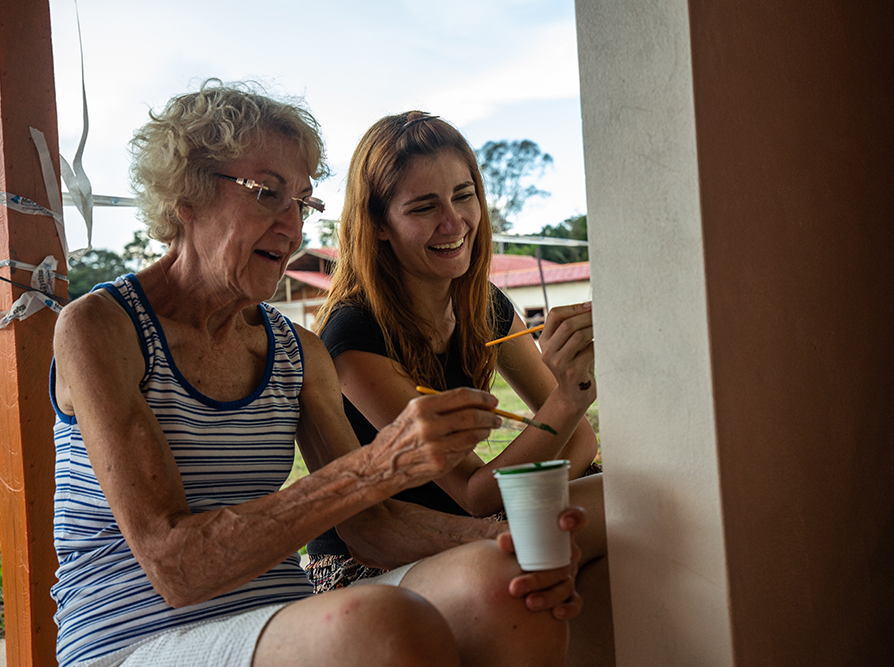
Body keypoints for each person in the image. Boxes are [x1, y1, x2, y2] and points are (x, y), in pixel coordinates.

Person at [49, 80, 587, 667]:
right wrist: (378, 465)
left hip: (277, 617)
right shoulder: (100, 328)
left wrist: (505, 543)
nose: (291, 226)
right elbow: (175, 566)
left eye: (301, 203)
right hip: (134, 640)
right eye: (266, 194)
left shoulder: (295, 349)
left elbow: (370, 528)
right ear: (187, 195)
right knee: (380, 624)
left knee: (514, 584)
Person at [307, 111, 614, 667]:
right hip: (369, 563)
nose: (454, 222)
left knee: (640, 499)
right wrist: (568, 399)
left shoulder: (483, 304)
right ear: (378, 224)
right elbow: (472, 490)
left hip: (472, 529)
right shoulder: (353, 334)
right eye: (424, 207)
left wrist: (542, 476)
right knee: (613, 508)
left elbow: (581, 446)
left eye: (463, 196)